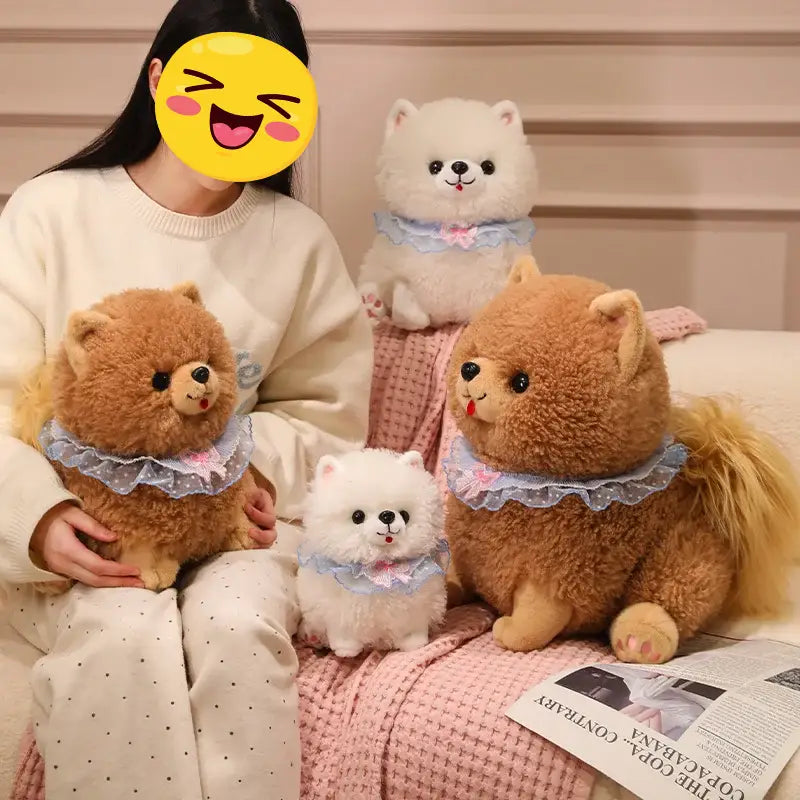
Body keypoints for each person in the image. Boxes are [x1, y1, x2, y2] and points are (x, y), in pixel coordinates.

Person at [0, 1, 373, 798]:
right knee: (120, 633)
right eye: (215, 87)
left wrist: (252, 472)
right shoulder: (50, 212)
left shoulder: (298, 240)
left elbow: (327, 413)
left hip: (226, 528)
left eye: (271, 96)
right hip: (88, 524)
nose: (238, 116)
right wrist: (38, 519)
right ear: (158, 78)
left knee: (237, 628)